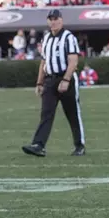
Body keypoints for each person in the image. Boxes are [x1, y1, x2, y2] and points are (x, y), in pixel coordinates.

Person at [22, 9, 85, 157]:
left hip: (65, 78)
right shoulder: (47, 38)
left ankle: (79, 145)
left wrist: (66, 80)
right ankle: (38, 145)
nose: (53, 21)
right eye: (50, 19)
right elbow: (43, 62)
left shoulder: (69, 37)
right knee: (46, 113)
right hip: (50, 79)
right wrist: (39, 82)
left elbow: (73, 61)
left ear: (61, 20)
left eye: (55, 18)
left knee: (73, 113)